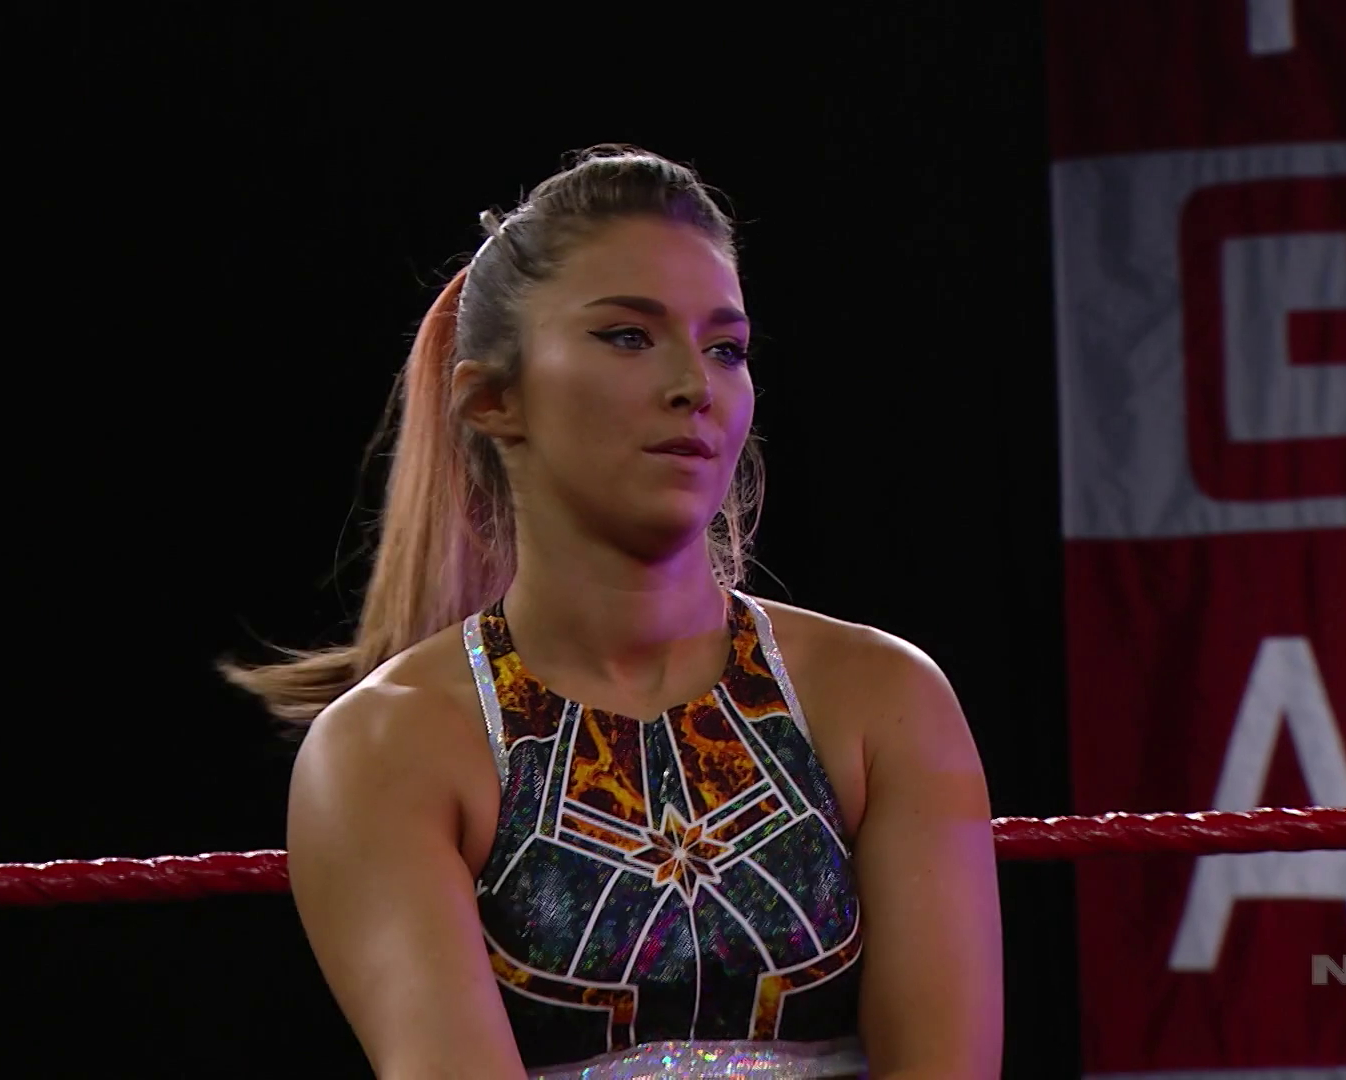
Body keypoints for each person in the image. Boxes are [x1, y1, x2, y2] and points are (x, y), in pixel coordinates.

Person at [224, 146, 1002, 1079]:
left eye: (725, 348)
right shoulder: (389, 746)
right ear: (494, 399)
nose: (694, 386)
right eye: (629, 336)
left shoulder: (884, 699)